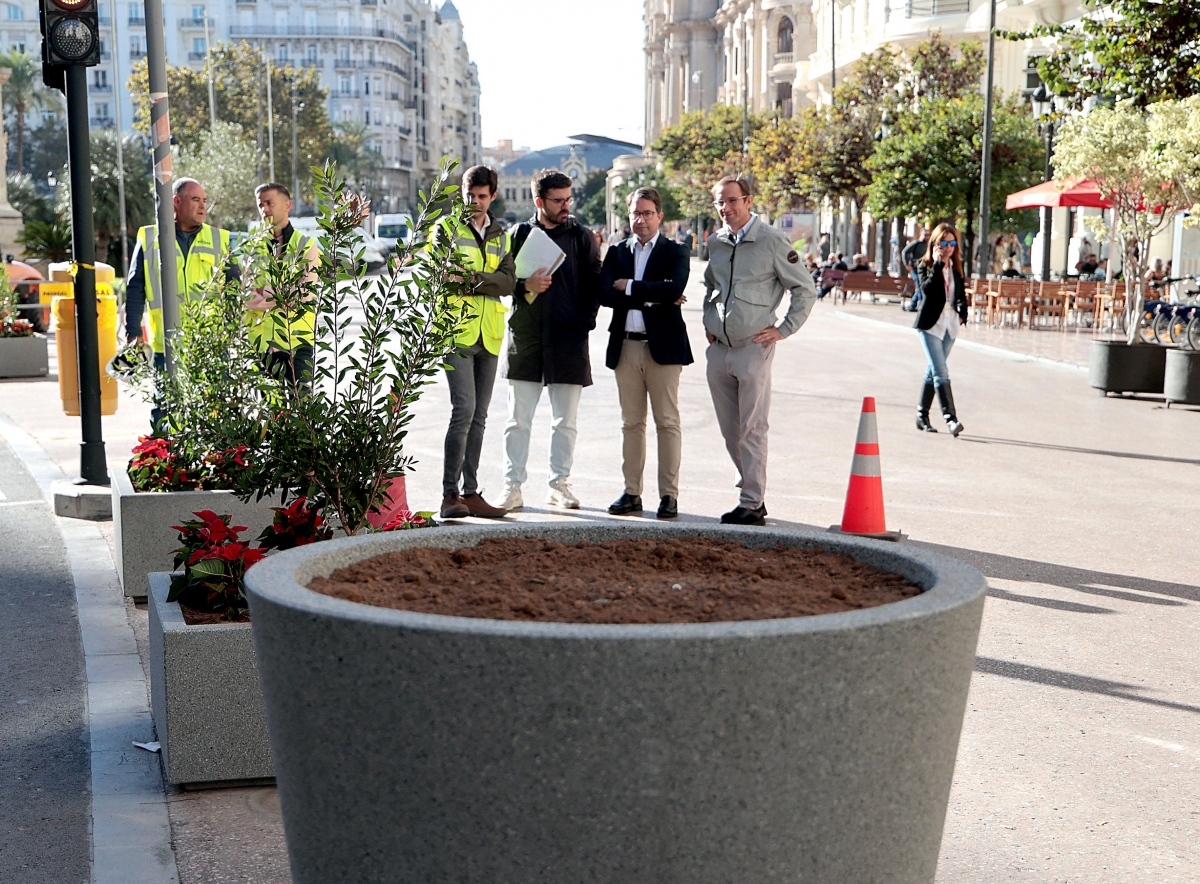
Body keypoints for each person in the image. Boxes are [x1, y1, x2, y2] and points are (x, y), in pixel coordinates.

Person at [703, 176, 817, 526]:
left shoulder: (771, 240)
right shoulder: (717, 242)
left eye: (733, 200)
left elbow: (805, 288)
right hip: (719, 351)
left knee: (752, 428)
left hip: (753, 348)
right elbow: (711, 283)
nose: (727, 208)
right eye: (721, 202)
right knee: (730, 431)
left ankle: (751, 501)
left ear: (748, 201)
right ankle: (751, 489)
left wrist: (783, 329)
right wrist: (710, 320)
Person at [501, 169, 601, 511]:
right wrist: (523, 286)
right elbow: (501, 281)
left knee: (565, 422)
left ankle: (558, 484)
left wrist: (584, 323)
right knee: (517, 421)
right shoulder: (517, 235)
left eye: (568, 199)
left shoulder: (582, 238)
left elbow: (594, 285)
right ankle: (512, 486)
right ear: (539, 201)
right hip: (525, 340)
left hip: (569, 341)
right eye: (558, 201)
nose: (565, 207)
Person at [597, 187, 692, 520]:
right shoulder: (617, 251)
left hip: (663, 348)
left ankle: (669, 496)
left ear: (660, 216)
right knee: (631, 424)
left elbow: (674, 288)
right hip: (625, 345)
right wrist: (655, 296)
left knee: (667, 422)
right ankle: (631, 492)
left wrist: (632, 286)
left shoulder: (676, 251)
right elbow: (606, 294)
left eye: (647, 213)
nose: (641, 220)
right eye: (635, 213)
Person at [431, 165, 515, 520]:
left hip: (489, 334)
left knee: (479, 416)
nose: (475, 202)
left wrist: (472, 279)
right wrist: (487, 280)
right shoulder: (445, 229)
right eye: (469, 195)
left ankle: (471, 492)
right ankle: (450, 495)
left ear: (492, 196)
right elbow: (445, 276)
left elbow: (510, 283)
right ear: (462, 193)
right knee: (463, 410)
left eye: (482, 196)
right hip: (455, 331)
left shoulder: (502, 236)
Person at [124, 177, 238, 426]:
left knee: (214, 409)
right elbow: (135, 289)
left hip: (209, 345)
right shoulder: (150, 237)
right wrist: (133, 332)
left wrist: (229, 331)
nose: (202, 207)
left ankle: (214, 462)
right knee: (165, 407)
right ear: (176, 201)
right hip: (166, 344)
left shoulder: (219, 239)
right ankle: (165, 460)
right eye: (195, 199)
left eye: (204, 201)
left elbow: (234, 291)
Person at [248, 182, 319, 389]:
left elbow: (304, 295)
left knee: (302, 412)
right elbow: (245, 296)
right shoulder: (253, 246)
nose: (264, 209)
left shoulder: (306, 245)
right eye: (260, 205)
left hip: (297, 344)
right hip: (262, 345)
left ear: (288, 205)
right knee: (269, 415)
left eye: (269, 203)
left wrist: (264, 293)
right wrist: (285, 294)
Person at [913, 222, 968, 437]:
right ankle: (951, 419)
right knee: (941, 372)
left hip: (950, 324)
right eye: (944, 242)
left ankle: (921, 414)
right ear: (935, 244)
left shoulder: (957, 268)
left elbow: (960, 294)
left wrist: (963, 312)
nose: (948, 247)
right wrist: (937, 265)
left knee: (933, 371)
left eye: (952, 242)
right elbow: (926, 291)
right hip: (930, 325)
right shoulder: (924, 265)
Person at [902, 227, 927, 312]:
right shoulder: (916, 243)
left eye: (928, 235)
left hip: (923, 268)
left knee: (921, 287)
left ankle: (912, 306)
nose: (926, 237)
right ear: (921, 234)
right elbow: (905, 252)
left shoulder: (928, 244)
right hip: (914, 268)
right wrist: (906, 264)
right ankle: (921, 306)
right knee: (920, 286)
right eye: (925, 234)